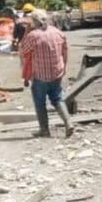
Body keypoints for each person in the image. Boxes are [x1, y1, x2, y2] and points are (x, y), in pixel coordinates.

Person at [19, 9, 74, 138]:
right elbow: (65, 52)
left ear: (34, 22)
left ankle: (44, 130)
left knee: (40, 102)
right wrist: (63, 67)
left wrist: (27, 32)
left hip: (40, 75)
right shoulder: (58, 32)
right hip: (57, 72)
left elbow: (23, 50)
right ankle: (68, 122)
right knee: (58, 98)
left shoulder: (33, 36)